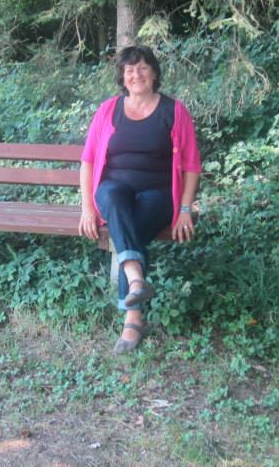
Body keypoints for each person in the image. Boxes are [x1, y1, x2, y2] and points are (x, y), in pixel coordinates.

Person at [78, 45, 201, 354]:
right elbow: (88, 160)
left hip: (158, 196)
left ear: (154, 73)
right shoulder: (108, 110)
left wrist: (185, 209)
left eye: (143, 68)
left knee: (128, 228)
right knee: (111, 194)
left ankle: (133, 305)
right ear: (122, 76)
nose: (136, 75)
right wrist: (87, 208)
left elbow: (191, 165)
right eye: (129, 70)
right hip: (114, 194)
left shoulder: (174, 111)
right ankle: (135, 296)